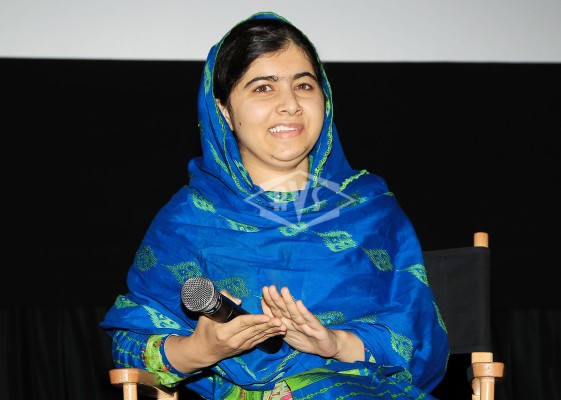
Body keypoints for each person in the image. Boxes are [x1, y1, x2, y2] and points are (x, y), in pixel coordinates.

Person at [100, 11, 449, 399]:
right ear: (224, 110)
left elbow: (422, 339)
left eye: (304, 85)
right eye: (263, 88)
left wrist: (336, 343)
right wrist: (201, 349)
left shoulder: (370, 208)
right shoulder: (190, 220)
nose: (290, 104)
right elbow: (129, 350)